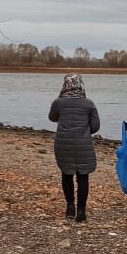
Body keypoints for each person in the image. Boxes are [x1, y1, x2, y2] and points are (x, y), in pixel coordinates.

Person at [48, 74, 100, 222]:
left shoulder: (58, 103)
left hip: (63, 144)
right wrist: (84, 131)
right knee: (83, 176)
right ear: (80, 85)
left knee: (66, 173)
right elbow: (95, 126)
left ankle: (70, 206)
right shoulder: (89, 104)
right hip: (83, 144)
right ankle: (81, 211)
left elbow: (52, 117)